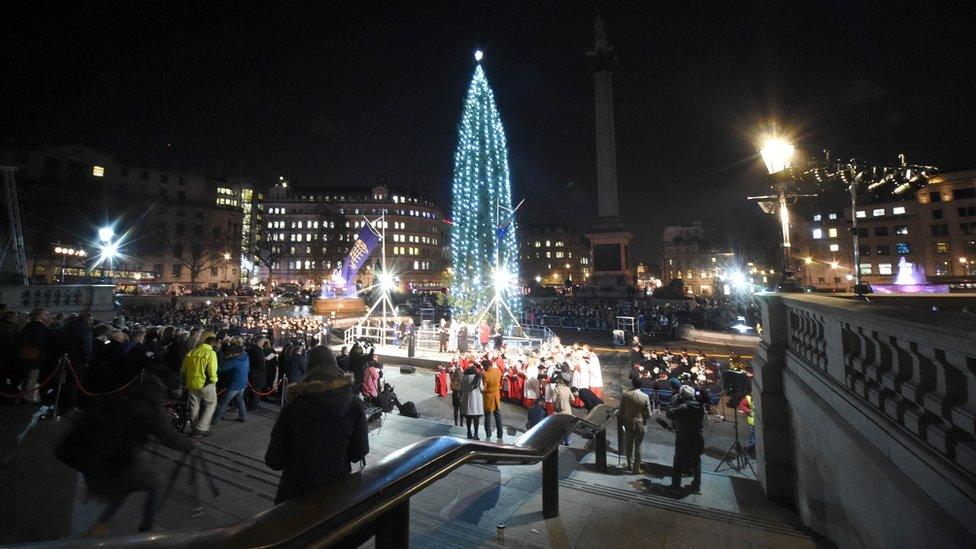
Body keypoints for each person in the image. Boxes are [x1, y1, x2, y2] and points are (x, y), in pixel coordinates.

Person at [56, 366, 194, 535]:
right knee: (155, 483)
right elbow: (169, 437)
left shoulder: (129, 391)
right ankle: (147, 528)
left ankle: (102, 523)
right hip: (117, 460)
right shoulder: (153, 405)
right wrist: (190, 444)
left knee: (126, 485)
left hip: (95, 456)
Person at [265, 346, 368, 504]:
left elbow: (274, 459)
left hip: (295, 493)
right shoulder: (354, 403)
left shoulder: (293, 405)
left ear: (308, 369)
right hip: (337, 491)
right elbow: (358, 452)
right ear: (335, 367)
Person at [667, 385, 705, 492]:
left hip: (684, 438)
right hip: (698, 437)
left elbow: (670, 413)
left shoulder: (684, 407)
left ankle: (676, 486)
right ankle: (696, 486)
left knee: (678, 462)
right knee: (696, 462)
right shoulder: (700, 406)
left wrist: (674, 399)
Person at [182, 335, 219, 438]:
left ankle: (194, 429)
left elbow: (184, 368)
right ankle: (201, 428)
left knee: (194, 406)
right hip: (205, 383)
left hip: (192, 382)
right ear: (213, 343)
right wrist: (214, 380)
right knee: (211, 404)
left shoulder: (192, 352)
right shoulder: (211, 353)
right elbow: (212, 370)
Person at [618, 377, 652, 474]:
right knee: (638, 446)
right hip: (640, 423)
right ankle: (636, 468)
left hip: (628, 422)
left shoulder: (625, 395)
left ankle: (629, 464)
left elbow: (621, 411)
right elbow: (649, 414)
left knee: (629, 445)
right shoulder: (645, 397)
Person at [212, 340, 249, 424]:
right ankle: (243, 416)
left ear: (235, 354)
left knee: (224, 402)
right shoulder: (245, 358)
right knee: (240, 399)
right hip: (243, 382)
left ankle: (216, 420)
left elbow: (220, 368)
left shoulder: (234, 361)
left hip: (235, 384)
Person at [460, 362, 483, 439]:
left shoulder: (464, 377)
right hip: (476, 401)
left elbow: (462, 388)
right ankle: (476, 434)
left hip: (467, 401)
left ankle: (469, 432)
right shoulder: (477, 377)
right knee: (476, 419)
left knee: (468, 419)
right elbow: (482, 389)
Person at [482, 359, 503, 442]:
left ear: (485, 366)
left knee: (487, 416)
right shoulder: (498, 371)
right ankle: (500, 434)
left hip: (488, 397)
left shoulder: (485, 375)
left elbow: (484, 389)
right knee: (497, 415)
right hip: (496, 395)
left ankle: (488, 434)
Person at [245, 337, 268, 411]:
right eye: (263, 341)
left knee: (252, 390)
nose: (264, 343)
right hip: (258, 374)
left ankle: (249, 404)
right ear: (260, 342)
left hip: (252, 372)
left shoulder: (252, 348)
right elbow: (261, 364)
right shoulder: (259, 350)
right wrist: (264, 368)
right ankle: (253, 406)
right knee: (256, 391)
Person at [552, 373, 574, 446]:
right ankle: (568, 441)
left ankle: (560, 441)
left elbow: (554, 400)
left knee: (560, 427)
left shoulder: (556, 388)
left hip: (560, 410)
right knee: (567, 426)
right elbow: (573, 399)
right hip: (568, 409)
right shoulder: (567, 388)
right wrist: (567, 402)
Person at [449, 361, 463, 426]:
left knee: (456, 409)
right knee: (462, 409)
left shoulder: (453, 376)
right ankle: (461, 423)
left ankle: (455, 422)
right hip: (461, 394)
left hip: (455, 393)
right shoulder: (463, 375)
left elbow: (451, 387)